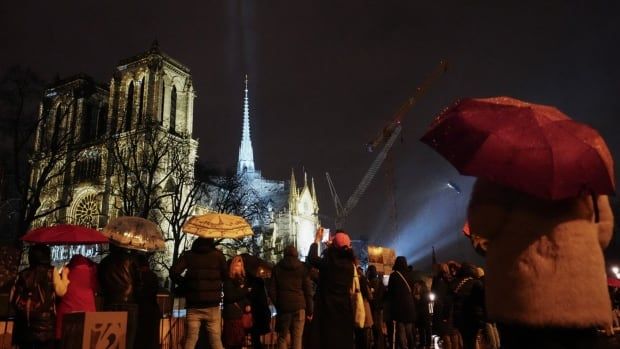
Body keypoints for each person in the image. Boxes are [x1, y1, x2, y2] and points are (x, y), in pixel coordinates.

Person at [467, 178, 615, 349]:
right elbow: (603, 234)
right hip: (580, 293)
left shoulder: (501, 171)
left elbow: (483, 224)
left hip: (522, 294)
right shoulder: (584, 171)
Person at [170, 237, 227, 349]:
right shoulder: (218, 256)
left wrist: (186, 283)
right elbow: (225, 276)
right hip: (212, 304)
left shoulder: (189, 255)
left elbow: (173, 272)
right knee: (215, 340)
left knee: (191, 338)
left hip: (193, 303)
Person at [306, 228, 356, 349]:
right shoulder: (350, 266)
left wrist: (317, 239)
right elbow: (339, 255)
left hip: (327, 313)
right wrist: (333, 248)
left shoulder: (328, 263)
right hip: (344, 312)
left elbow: (312, 258)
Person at [10, 244, 56, 349]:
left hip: (25, 328)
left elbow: (13, 299)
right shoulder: (52, 274)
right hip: (47, 329)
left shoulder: (22, 275)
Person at [269, 245, 313, 349]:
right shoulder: (302, 268)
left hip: (284, 307)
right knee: (297, 338)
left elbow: (271, 290)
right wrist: (310, 310)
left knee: (282, 337)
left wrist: (278, 303)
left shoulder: (277, 268)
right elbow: (308, 291)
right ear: (296, 254)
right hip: (299, 307)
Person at [98, 243, 142, 349]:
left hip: (110, 302)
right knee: (127, 341)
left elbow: (100, 282)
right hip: (129, 304)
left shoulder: (104, 262)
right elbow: (139, 282)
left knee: (110, 341)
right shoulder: (132, 260)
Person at [54, 254, 98, 343]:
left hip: (67, 318)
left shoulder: (66, 272)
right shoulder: (92, 273)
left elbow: (60, 292)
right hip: (89, 317)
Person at [387, 256, 417, 349]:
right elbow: (413, 289)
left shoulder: (393, 275)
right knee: (409, 330)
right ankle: (412, 346)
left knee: (401, 330)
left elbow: (390, 292)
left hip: (399, 306)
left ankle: (404, 347)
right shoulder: (410, 275)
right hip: (409, 305)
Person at [223, 255, 252, 349]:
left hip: (239, 314)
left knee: (238, 342)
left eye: (240, 266)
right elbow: (230, 296)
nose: (238, 268)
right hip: (231, 315)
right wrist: (245, 290)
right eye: (236, 266)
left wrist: (247, 304)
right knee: (231, 343)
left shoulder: (242, 280)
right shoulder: (229, 280)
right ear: (232, 267)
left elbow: (242, 297)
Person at [134, 254, 162, 349]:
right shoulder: (153, 276)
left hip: (141, 310)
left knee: (140, 339)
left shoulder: (138, 276)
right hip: (153, 309)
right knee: (152, 339)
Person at [366, 265, 386, 349]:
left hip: (374, 309)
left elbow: (370, 297)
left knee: (376, 329)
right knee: (379, 329)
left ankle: (378, 345)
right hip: (380, 309)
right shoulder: (380, 282)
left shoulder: (370, 283)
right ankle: (381, 345)